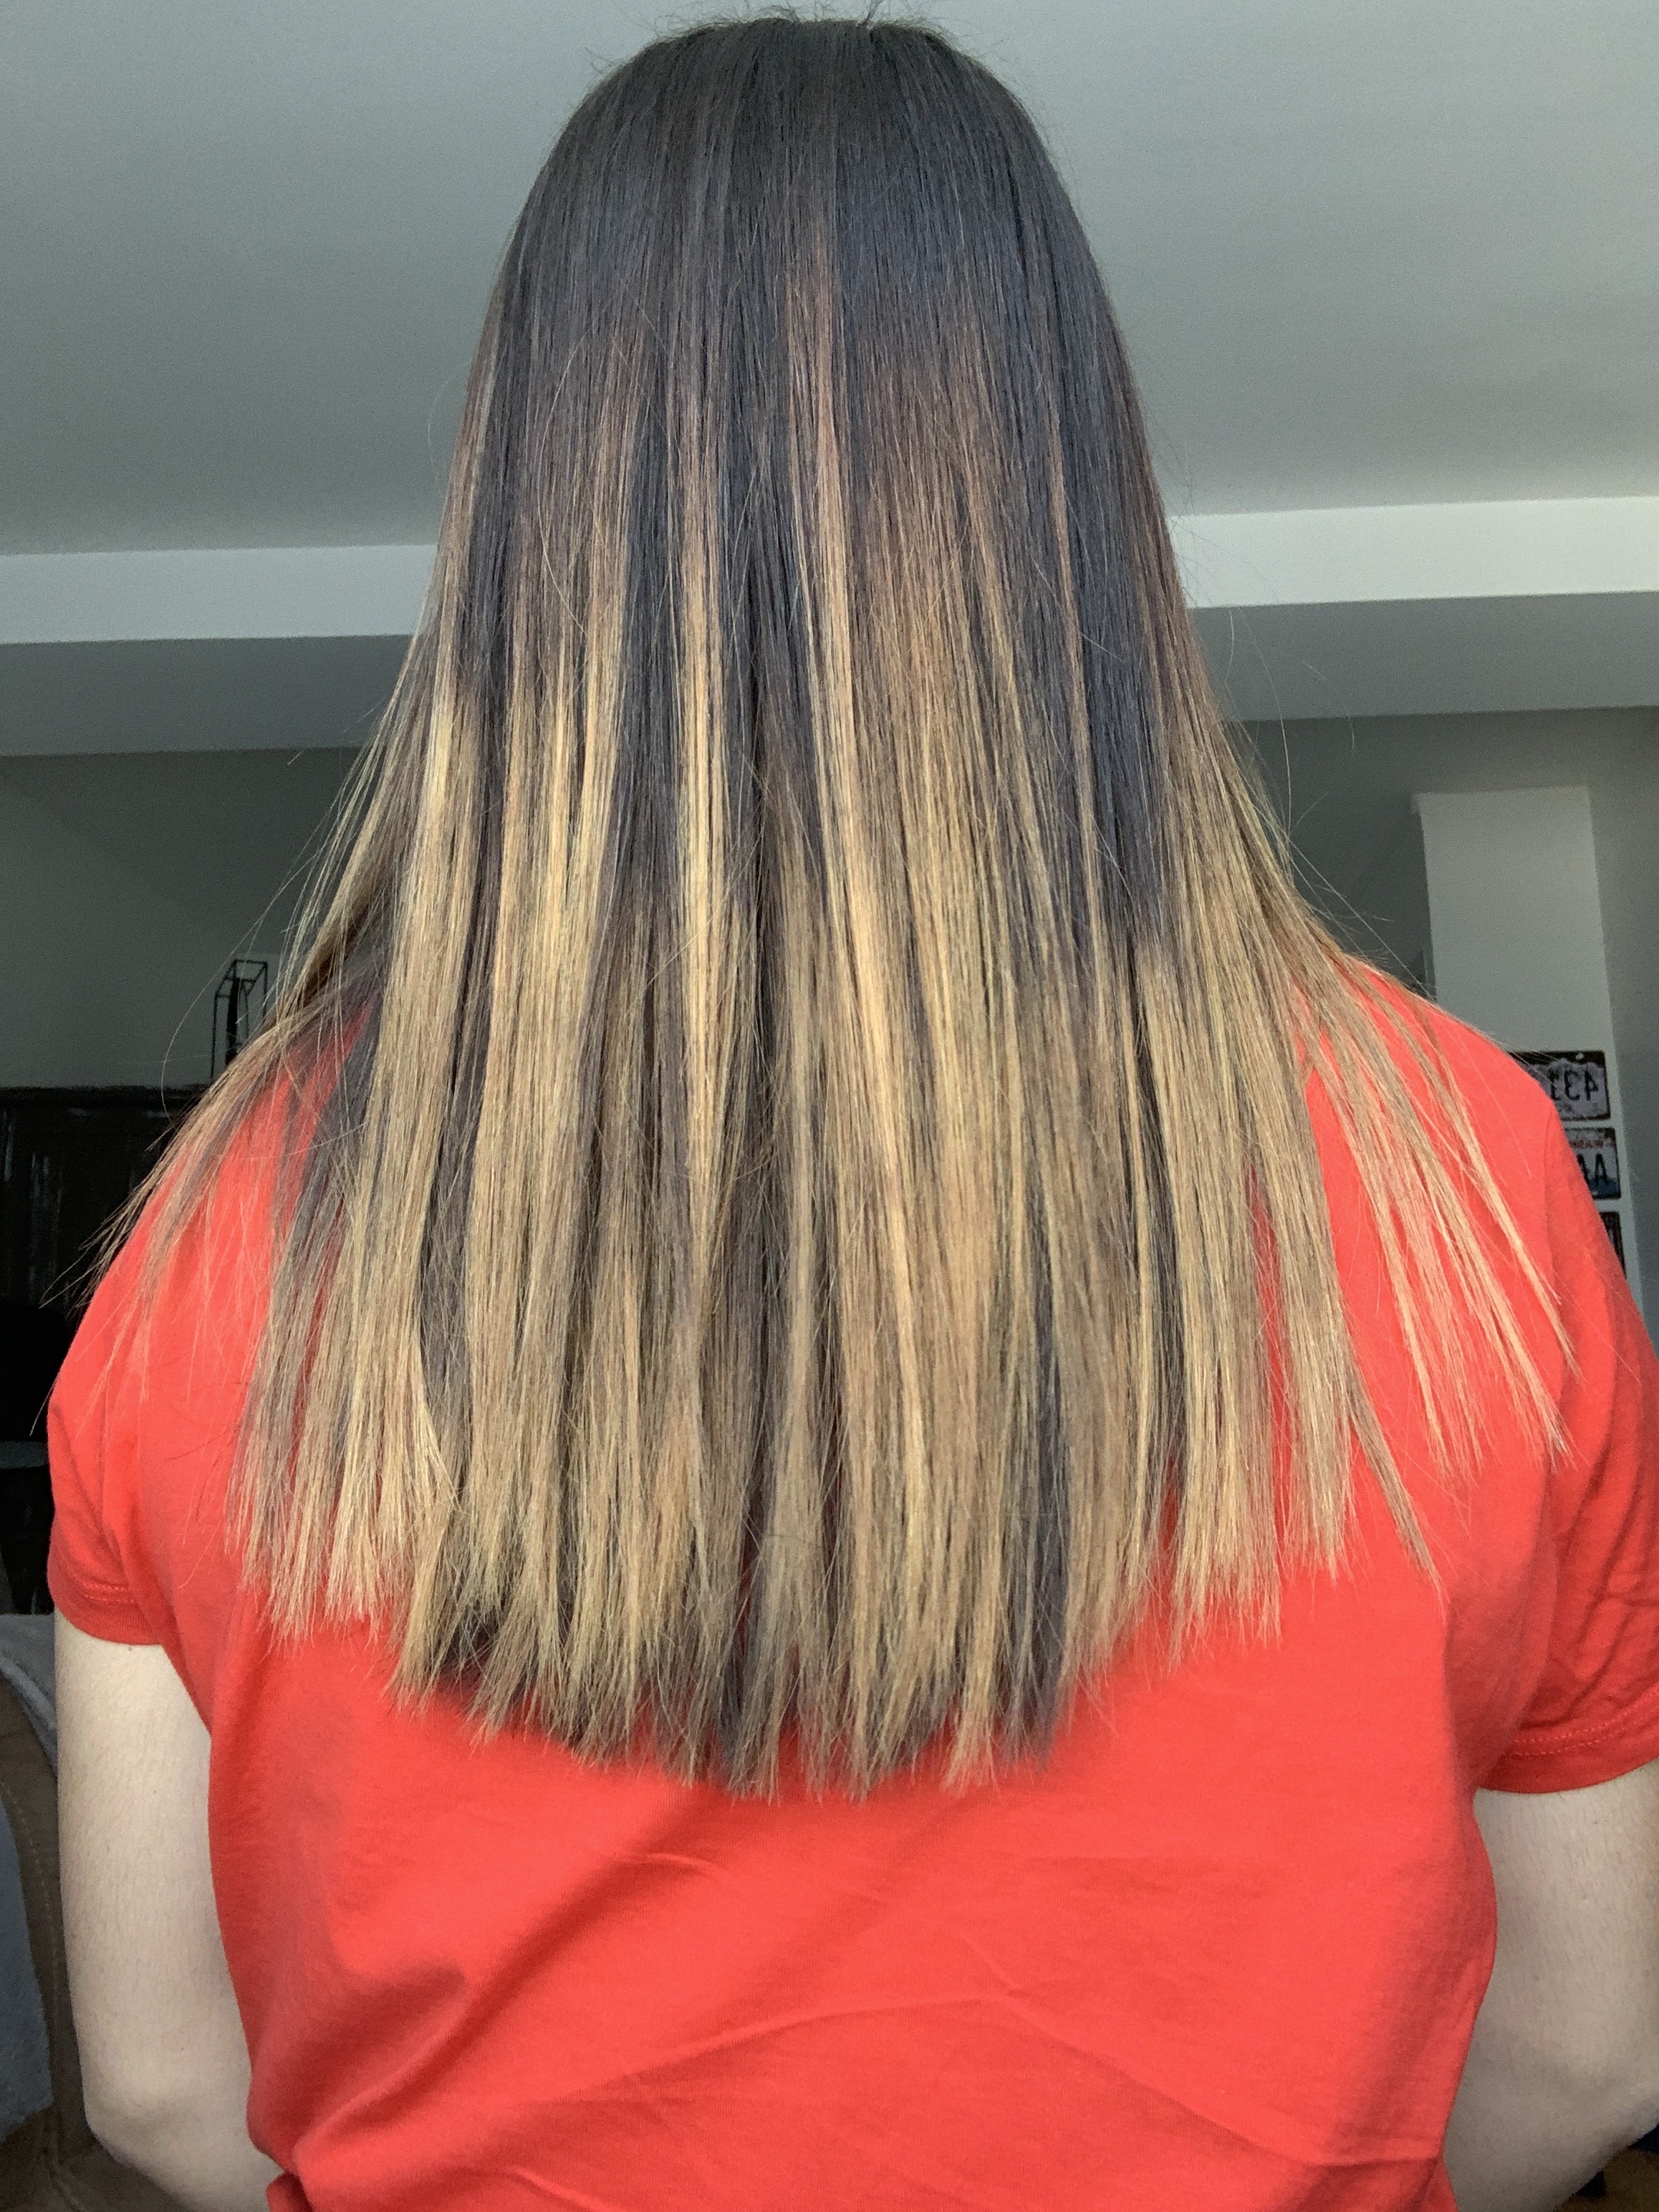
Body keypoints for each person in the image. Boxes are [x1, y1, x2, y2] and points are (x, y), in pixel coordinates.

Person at [44, 14, 1659, 2211]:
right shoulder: (1450, 1164)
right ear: (1068, 474)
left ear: (530, 507)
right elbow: (1581, 2054)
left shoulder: (232, 1221)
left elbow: (160, 2088)